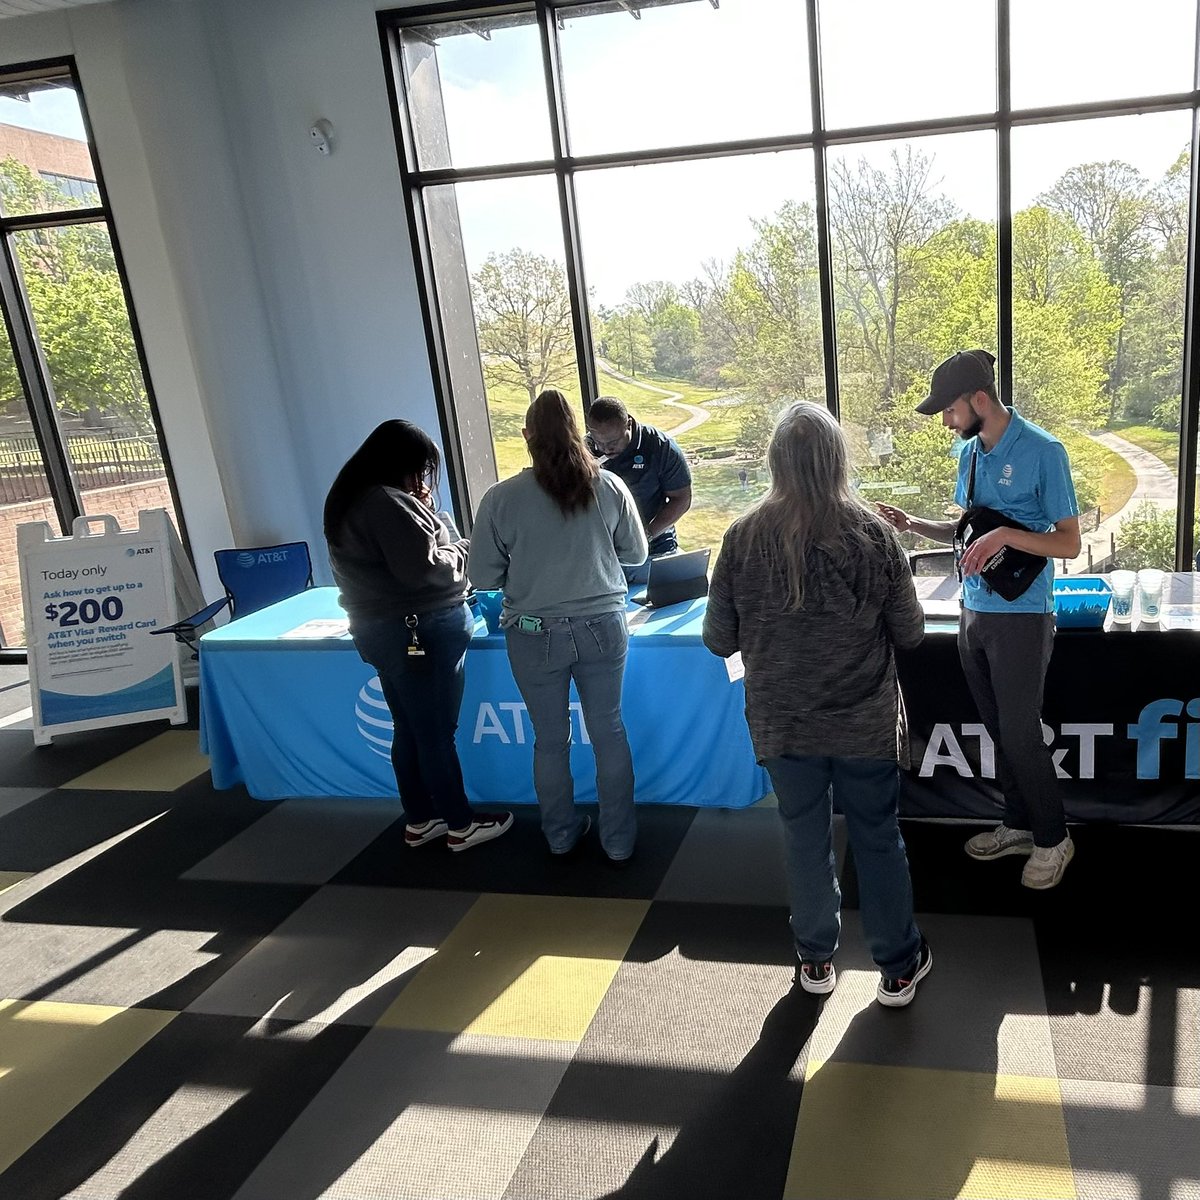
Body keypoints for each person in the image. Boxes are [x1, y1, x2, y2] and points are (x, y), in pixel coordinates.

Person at [703, 401, 931, 1008]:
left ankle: (815, 960)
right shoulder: (876, 536)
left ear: (776, 461)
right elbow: (910, 633)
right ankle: (899, 966)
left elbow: (718, 640)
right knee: (878, 837)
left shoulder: (741, 536)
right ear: (838, 459)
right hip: (865, 724)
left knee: (803, 838)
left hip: (782, 723)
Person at [876, 349, 1082, 890]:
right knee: (999, 730)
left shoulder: (1044, 451)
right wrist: (914, 524)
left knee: (1019, 730)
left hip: (1022, 615)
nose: (945, 420)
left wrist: (1007, 534)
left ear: (979, 399)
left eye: (949, 409)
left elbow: (1068, 542)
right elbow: (969, 531)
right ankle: (1018, 823)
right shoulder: (968, 454)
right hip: (974, 612)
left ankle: (1053, 838)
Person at [468, 389, 648, 864]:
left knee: (550, 740)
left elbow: (481, 576)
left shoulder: (500, 499)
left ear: (526, 437)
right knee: (608, 730)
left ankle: (560, 837)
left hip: (532, 633)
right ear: (579, 435)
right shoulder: (608, 487)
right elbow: (636, 555)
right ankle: (619, 842)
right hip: (604, 628)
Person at [324, 420, 513, 853]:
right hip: (420, 631)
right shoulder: (386, 503)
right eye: (421, 469)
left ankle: (421, 819)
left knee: (408, 728)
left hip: (382, 631)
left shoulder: (350, 499)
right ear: (403, 464)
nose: (424, 478)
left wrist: (427, 517)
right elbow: (425, 570)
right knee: (434, 734)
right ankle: (461, 825)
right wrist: (463, 547)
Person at [585, 395, 692, 571]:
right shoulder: (586, 449)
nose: (606, 449)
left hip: (655, 547)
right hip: (604, 553)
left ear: (629, 424)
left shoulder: (660, 447)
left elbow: (682, 499)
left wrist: (646, 534)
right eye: (599, 442)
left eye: (613, 442)